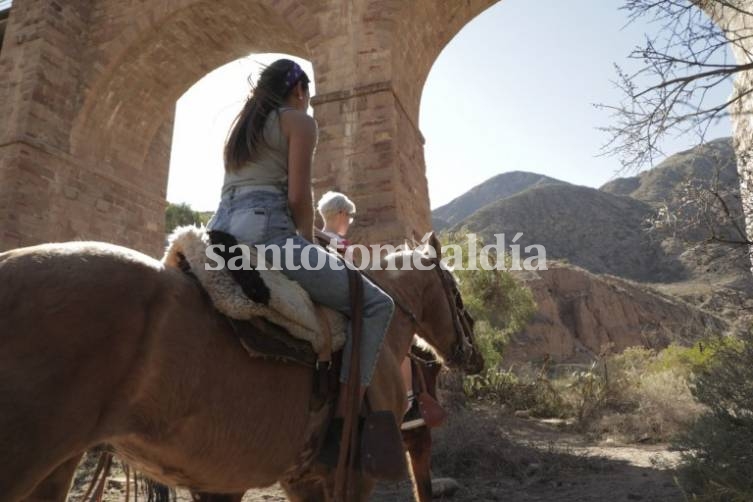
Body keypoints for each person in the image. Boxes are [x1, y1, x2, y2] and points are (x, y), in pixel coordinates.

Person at [205, 59, 395, 416]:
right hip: (266, 234)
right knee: (376, 305)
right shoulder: (298, 121)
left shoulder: (241, 130)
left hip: (218, 232)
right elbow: (297, 198)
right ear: (299, 90)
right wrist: (308, 243)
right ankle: (346, 415)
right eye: (306, 96)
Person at [315, 191, 424, 429]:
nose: (350, 222)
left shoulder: (315, 239)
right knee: (401, 345)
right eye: (350, 217)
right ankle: (408, 401)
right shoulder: (343, 247)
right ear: (342, 214)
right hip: (346, 304)